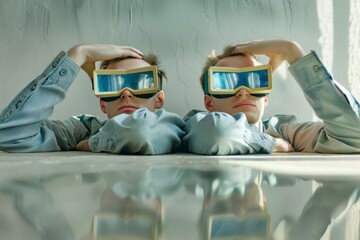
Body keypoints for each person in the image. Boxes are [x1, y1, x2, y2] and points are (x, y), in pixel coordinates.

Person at [182, 39, 360, 155]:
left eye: (253, 81)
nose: (243, 92)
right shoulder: (196, 122)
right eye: (226, 82)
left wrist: (292, 51)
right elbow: (216, 134)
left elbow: (353, 135)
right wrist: (271, 144)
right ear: (209, 102)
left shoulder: (283, 129)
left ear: (265, 98)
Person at [0, 44, 185, 154]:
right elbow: (9, 135)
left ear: (159, 100)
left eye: (141, 83)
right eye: (113, 85)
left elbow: (141, 131)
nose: (126, 93)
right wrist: (79, 54)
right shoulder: (84, 129)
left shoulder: (174, 125)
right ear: (102, 103)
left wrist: (93, 144)